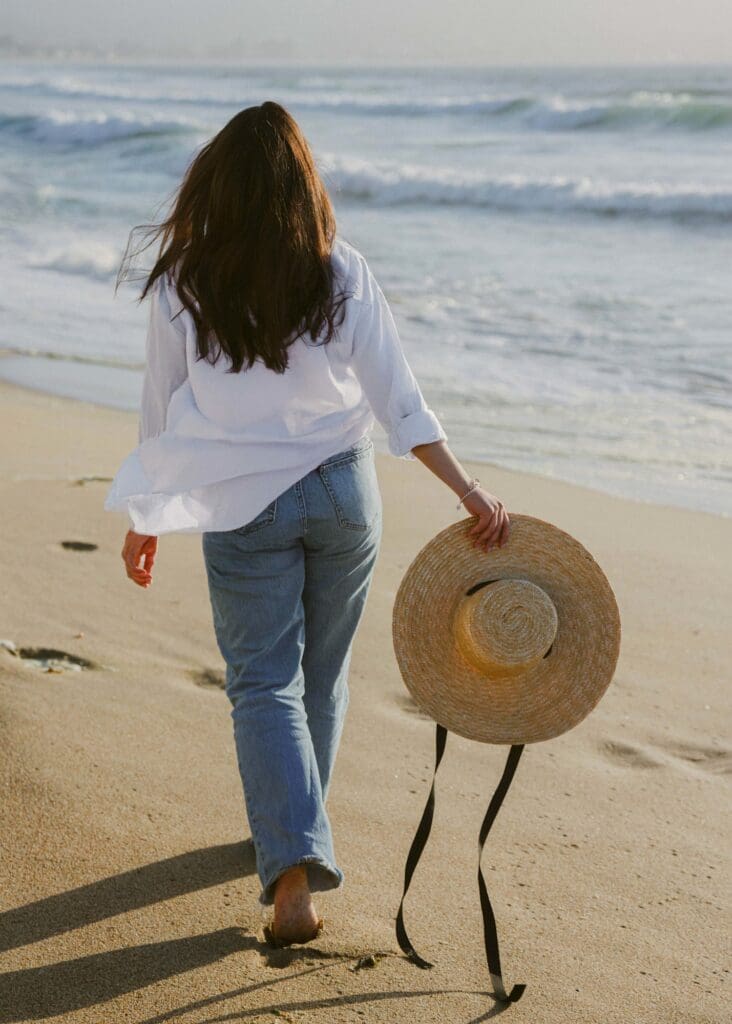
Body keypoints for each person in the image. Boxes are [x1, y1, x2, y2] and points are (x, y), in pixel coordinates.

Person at [106, 101, 510, 946]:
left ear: (219, 183)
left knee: (263, 684)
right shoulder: (339, 270)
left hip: (243, 501)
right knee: (321, 678)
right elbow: (401, 400)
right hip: (341, 493)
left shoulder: (187, 279)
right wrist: (467, 492)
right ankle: (293, 829)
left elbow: (163, 408)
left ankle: (292, 872)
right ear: (303, 186)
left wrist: (148, 513)